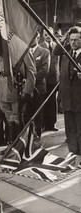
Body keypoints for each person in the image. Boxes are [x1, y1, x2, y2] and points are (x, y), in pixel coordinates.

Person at [0, 51, 36, 155]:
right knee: (9, 119)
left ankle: (21, 147)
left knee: (18, 118)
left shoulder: (23, 50)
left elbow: (31, 71)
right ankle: (11, 146)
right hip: (3, 91)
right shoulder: (4, 49)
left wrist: (26, 91)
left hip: (16, 91)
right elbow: (0, 71)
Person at [54, 27, 81, 167]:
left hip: (79, 99)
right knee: (70, 128)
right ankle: (73, 152)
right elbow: (55, 51)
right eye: (71, 40)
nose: (73, 43)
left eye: (76, 40)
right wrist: (65, 36)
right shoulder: (66, 53)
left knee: (80, 128)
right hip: (67, 98)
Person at [24, 31, 50, 139]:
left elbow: (45, 70)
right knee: (26, 113)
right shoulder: (24, 52)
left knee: (38, 114)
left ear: (38, 39)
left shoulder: (45, 52)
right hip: (26, 88)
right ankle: (27, 138)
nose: (31, 40)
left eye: (34, 38)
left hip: (38, 88)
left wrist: (30, 79)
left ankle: (37, 137)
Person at [41, 27, 60, 131]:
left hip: (54, 79)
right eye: (46, 34)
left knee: (53, 102)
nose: (48, 36)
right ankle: (44, 124)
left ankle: (52, 124)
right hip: (43, 80)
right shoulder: (40, 47)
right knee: (44, 101)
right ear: (43, 36)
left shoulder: (57, 47)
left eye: (50, 34)